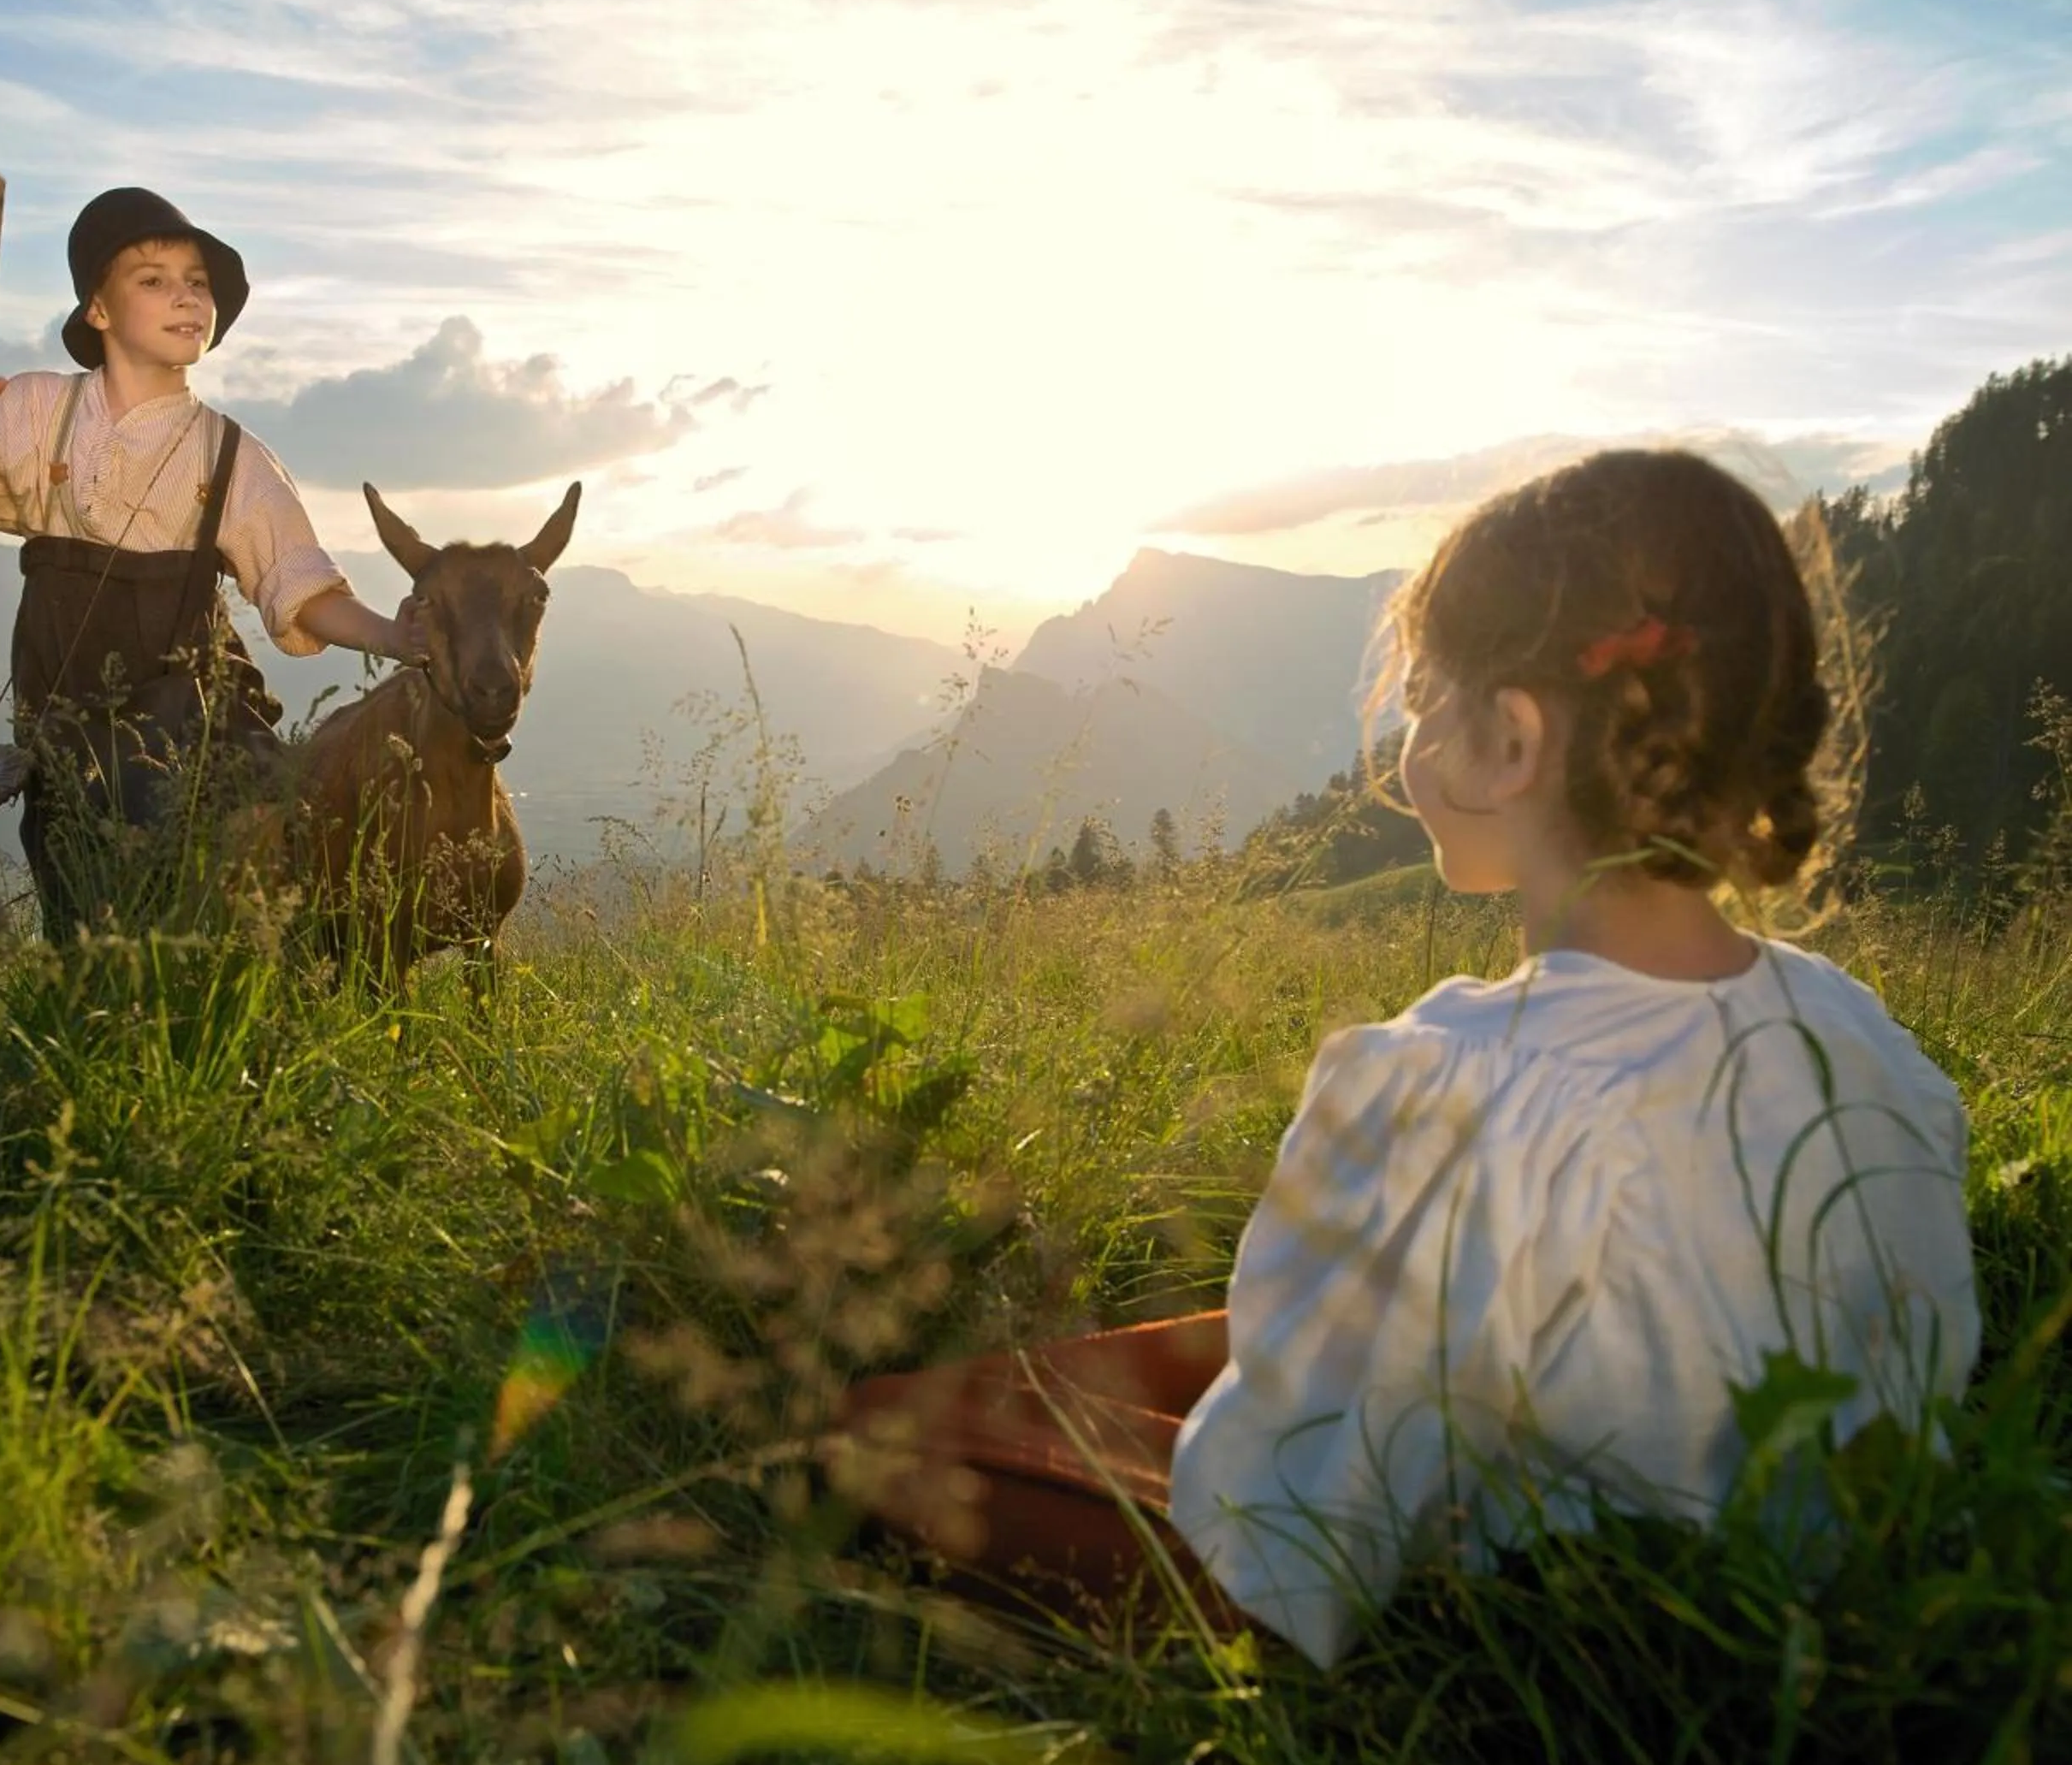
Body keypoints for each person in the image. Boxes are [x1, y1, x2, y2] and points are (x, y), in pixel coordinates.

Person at [836, 449, 1979, 1667]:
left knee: (876, 1432)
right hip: (1801, 1600)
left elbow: (1289, 1525)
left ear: (1514, 740)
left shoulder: (1441, 1084)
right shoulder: (1864, 1043)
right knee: (1197, 1344)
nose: (1409, 733)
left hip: (1507, 1631)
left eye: (1430, 696)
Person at [0, 187, 426, 941]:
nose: (187, 297)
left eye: (198, 282)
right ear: (98, 309)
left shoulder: (230, 453)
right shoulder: (34, 413)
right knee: (83, 909)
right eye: (153, 279)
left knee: (217, 877)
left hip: (190, 716)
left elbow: (298, 584)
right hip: (64, 711)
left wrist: (393, 637)